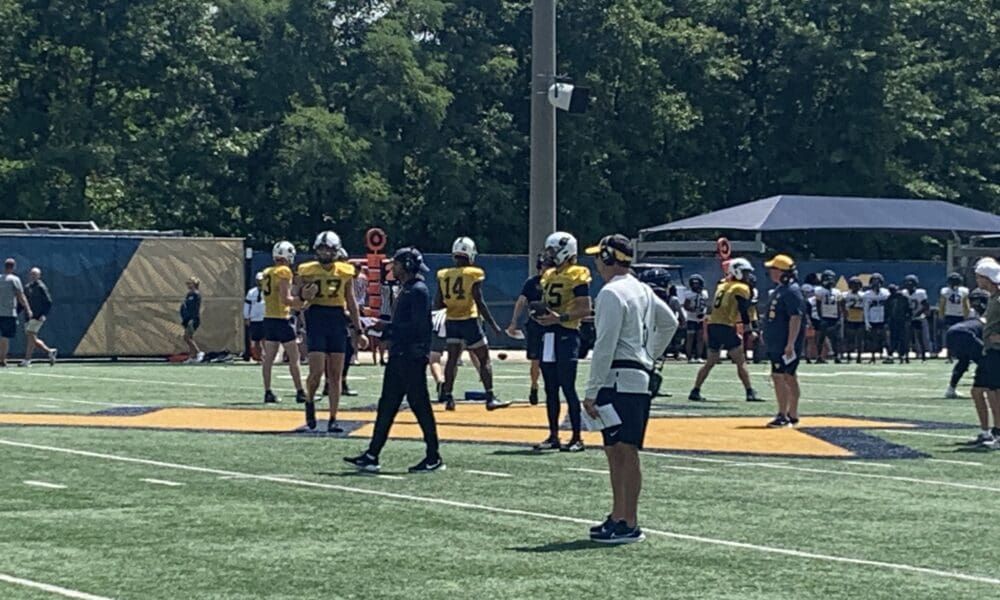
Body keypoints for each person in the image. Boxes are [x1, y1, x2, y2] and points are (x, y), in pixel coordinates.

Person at [582, 234, 677, 544]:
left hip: (618, 379)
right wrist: (649, 353)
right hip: (634, 378)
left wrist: (592, 389)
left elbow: (605, 343)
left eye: (599, 256)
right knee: (619, 451)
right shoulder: (643, 289)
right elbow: (670, 322)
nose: (596, 262)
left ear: (609, 258)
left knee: (622, 451)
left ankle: (629, 520)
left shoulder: (611, 292)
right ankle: (619, 515)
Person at [344, 247, 444, 473]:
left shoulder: (417, 291)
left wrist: (384, 328)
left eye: (396, 264)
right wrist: (384, 329)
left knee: (420, 406)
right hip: (401, 355)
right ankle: (372, 454)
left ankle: (433, 455)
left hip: (411, 356)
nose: (393, 268)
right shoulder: (409, 289)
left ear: (407, 265)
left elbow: (417, 327)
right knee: (387, 405)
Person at [297, 231, 369, 432]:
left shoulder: (345, 271)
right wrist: (303, 294)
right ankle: (310, 400)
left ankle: (333, 418)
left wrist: (358, 329)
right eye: (322, 249)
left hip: (337, 319)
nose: (325, 253)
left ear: (336, 251)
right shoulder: (307, 270)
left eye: (328, 249)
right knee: (317, 371)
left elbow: (351, 301)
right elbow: (296, 297)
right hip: (317, 318)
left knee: (336, 374)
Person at [532, 231, 593, 452]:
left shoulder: (578, 274)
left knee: (567, 387)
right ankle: (554, 435)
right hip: (549, 336)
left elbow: (585, 308)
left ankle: (577, 437)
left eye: (552, 251)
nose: (549, 255)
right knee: (550, 388)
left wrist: (562, 318)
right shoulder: (548, 275)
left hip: (567, 335)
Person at [435, 236, 510, 411]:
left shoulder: (444, 274)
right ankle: (490, 397)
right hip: (469, 320)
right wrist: (493, 325)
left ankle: (449, 398)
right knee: (484, 359)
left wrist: (452, 303)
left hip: (451, 320)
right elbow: (479, 300)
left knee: (452, 360)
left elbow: (437, 302)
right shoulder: (473, 273)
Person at [688, 258, 762, 403]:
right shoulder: (741, 288)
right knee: (740, 360)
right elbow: (742, 308)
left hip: (713, 325)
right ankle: (749, 391)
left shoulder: (722, 285)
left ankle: (695, 390)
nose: (747, 276)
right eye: (745, 273)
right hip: (725, 326)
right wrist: (748, 328)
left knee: (711, 361)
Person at [260, 241, 307, 404]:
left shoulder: (267, 271)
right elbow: (286, 299)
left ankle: (267, 391)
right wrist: (301, 301)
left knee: (269, 359)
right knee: (295, 357)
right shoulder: (284, 271)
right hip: (282, 319)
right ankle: (300, 391)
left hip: (268, 318)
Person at [763, 254, 806, 428]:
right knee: (787, 376)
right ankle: (792, 413)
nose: (771, 272)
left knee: (780, 376)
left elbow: (795, 318)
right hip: (777, 341)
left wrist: (790, 343)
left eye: (774, 269)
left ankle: (783, 414)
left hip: (783, 342)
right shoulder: (781, 289)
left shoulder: (791, 291)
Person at [507, 254, 550, 405]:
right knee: (535, 359)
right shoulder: (532, 282)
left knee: (551, 360)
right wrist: (514, 321)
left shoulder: (556, 280)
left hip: (552, 324)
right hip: (535, 324)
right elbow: (521, 301)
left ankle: (550, 389)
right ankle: (534, 386)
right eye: (545, 265)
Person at [971, 259, 1000, 448]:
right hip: (989, 350)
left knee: (995, 392)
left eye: (978, 277)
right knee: (980, 390)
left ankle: (998, 432)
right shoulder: (992, 297)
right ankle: (987, 431)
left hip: (997, 350)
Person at [944, 289, 988, 399]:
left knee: (964, 361)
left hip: (951, 332)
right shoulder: (987, 320)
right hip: (966, 333)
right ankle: (985, 388)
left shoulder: (974, 316)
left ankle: (951, 389)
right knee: (986, 360)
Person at [20, 267, 57, 367]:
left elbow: (48, 302)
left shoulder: (41, 287)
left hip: (38, 317)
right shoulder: (27, 287)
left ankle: (27, 360)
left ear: (39, 276)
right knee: (31, 338)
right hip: (28, 317)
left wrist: (43, 314)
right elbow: (23, 301)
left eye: (35, 274)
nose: (33, 276)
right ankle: (50, 351)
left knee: (30, 334)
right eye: (32, 274)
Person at [0, 258, 31, 368]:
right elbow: (20, 295)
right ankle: (2, 359)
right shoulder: (15, 279)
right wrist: (28, 309)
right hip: (8, 312)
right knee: (5, 337)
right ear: (14, 267)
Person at [813, 270, 843, 364]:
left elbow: (839, 305)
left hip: (834, 317)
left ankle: (836, 356)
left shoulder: (837, 292)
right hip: (824, 317)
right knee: (821, 337)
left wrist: (839, 317)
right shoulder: (819, 291)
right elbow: (818, 305)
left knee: (836, 338)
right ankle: (819, 356)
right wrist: (820, 317)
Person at [940, 272, 971, 362]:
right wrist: (967, 316)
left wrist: (941, 315)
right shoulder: (963, 291)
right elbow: (967, 306)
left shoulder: (945, 291)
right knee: (957, 337)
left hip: (951, 315)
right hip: (958, 315)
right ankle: (955, 355)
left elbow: (942, 305)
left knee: (951, 336)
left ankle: (951, 355)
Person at [863, 273, 890, 363]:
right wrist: (867, 322)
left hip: (883, 319)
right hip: (873, 319)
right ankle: (873, 356)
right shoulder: (867, 294)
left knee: (885, 338)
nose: (876, 284)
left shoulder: (886, 293)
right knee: (873, 340)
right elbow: (866, 309)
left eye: (878, 281)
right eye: (874, 281)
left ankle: (888, 356)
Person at [903, 274, 931, 361]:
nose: (909, 285)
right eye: (908, 284)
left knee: (920, 337)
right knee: (907, 337)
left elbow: (926, 306)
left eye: (911, 283)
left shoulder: (920, 293)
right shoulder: (904, 293)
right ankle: (906, 355)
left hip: (917, 317)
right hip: (908, 317)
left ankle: (923, 355)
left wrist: (917, 314)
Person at [683, 275, 708, 362]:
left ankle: (699, 356)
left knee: (700, 338)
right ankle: (689, 357)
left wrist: (703, 312)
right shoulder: (689, 294)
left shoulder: (704, 293)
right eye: (694, 284)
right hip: (691, 319)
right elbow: (686, 306)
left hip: (700, 319)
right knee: (690, 338)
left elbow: (705, 305)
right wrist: (694, 310)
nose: (695, 286)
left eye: (697, 284)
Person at [885, 284, 911, 364]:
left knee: (903, 339)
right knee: (893, 339)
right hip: (893, 322)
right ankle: (891, 355)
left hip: (902, 321)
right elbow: (887, 311)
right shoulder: (889, 299)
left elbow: (908, 310)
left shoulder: (904, 298)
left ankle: (903, 355)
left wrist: (908, 318)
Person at [180, 277, 204, 363]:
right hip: (187, 319)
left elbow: (194, 309)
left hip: (193, 319)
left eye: (190, 283)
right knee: (189, 337)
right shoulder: (189, 294)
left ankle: (199, 352)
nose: (188, 285)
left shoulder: (196, 294)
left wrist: (192, 319)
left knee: (186, 337)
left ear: (194, 284)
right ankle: (192, 356)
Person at [244, 273, 266, 361]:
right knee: (256, 339)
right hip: (255, 319)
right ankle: (258, 357)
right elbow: (247, 305)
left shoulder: (269, 292)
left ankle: (267, 356)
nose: (260, 282)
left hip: (265, 317)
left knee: (266, 339)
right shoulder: (251, 292)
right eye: (259, 281)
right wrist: (246, 317)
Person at [843, 276, 866, 363]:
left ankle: (859, 356)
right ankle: (849, 355)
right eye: (853, 284)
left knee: (860, 339)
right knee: (849, 339)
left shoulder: (863, 295)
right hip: (849, 319)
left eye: (857, 285)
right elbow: (842, 306)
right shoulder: (845, 295)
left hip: (860, 319)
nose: (855, 287)